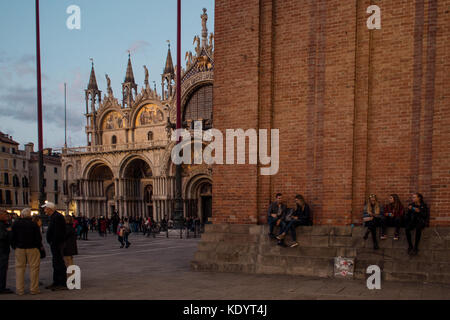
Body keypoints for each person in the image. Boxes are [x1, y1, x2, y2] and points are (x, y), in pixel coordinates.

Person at [11, 208, 42, 296]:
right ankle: (34, 289)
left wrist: (14, 246)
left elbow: (12, 237)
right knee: (34, 268)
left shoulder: (16, 224)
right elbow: (38, 238)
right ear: (30, 215)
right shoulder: (33, 224)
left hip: (20, 248)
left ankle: (20, 290)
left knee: (19, 268)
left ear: (22, 215)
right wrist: (38, 246)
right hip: (32, 248)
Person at [43, 201, 67, 291]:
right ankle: (56, 282)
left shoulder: (57, 217)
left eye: (45, 208)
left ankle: (62, 283)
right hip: (55, 243)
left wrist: (54, 242)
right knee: (55, 263)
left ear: (50, 209)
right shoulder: (54, 217)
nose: (44, 210)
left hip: (57, 244)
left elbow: (58, 232)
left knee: (59, 263)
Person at [0, 210, 13, 294]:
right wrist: (8, 231)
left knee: (3, 268)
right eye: (5, 215)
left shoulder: (4, 224)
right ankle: (1, 287)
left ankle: (2, 286)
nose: (7, 216)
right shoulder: (2, 225)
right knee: (2, 269)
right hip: (2, 250)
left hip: (3, 249)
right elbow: (2, 236)